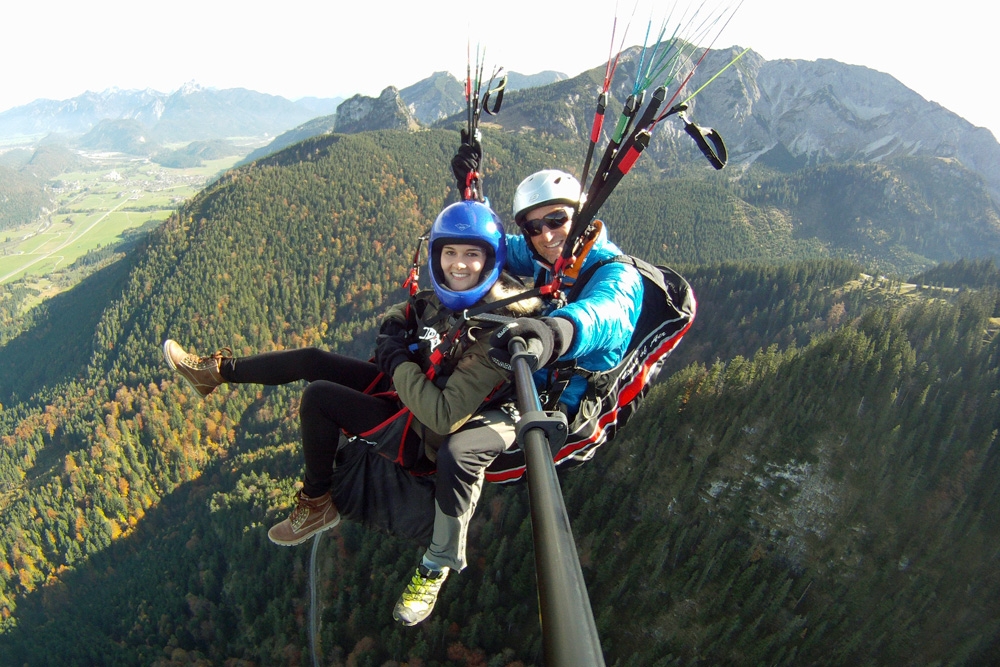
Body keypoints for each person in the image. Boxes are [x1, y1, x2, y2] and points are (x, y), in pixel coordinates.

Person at [163, 199, 540, 625]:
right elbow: (416, 308)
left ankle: (317, 502)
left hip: (420, 434)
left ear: (489, 260)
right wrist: (396, 325)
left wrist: (396, 360)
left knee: (320, 397)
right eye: (449, 253)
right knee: (311, 358)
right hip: (408, 393)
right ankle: (215, 373)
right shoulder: (455, 298)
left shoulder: (497, 331)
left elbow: (442, 416)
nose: (458, 264)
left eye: (471, 254)